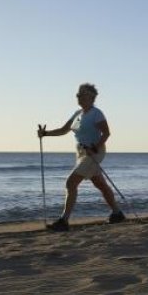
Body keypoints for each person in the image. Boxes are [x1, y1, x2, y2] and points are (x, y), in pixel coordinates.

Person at [37, 83, 125, 232]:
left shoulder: (96, 113)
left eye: (82, 94)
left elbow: (106, 133)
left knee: (71, 183)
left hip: (94, 152)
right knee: (100, 184)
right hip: (81, 153)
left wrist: (95, 147)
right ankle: (117, 213)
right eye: (78, 94)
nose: (79, 97)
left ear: (91, 97)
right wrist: (46, 134)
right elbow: (64, 130)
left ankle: (64, 221)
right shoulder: (77, 113)